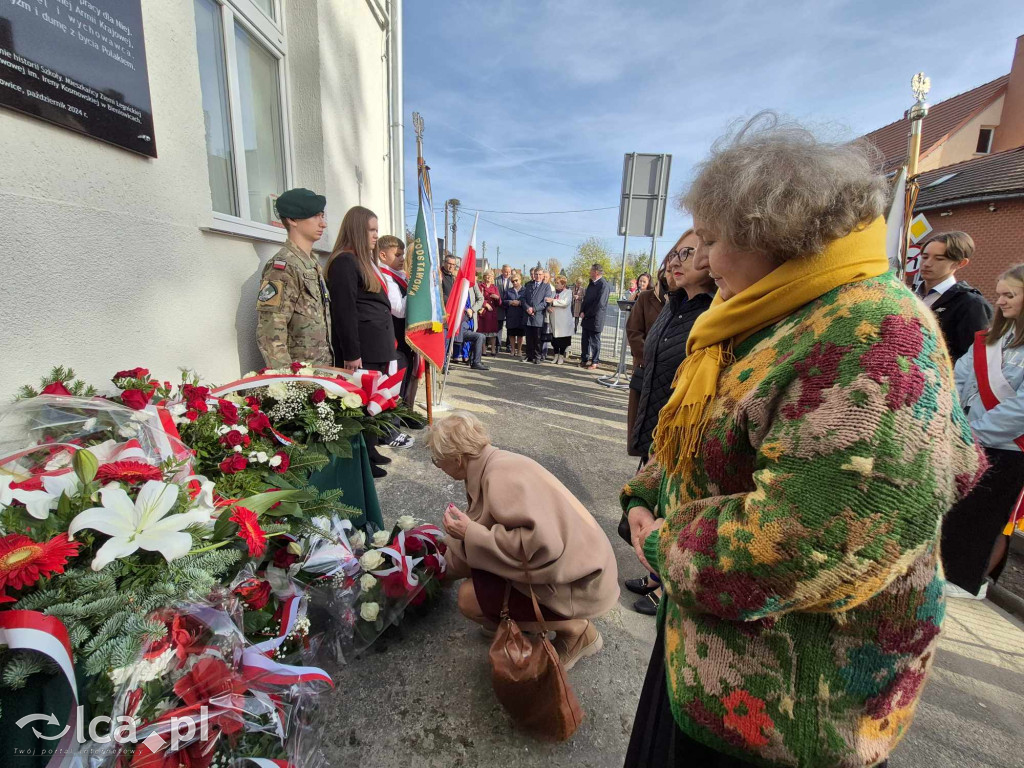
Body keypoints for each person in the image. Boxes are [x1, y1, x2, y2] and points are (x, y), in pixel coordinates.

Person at [621, 114, 983, 768]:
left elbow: (801, 542)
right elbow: (698, 433)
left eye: (711, 238)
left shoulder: (878, 335)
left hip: (788, 710)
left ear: (769, 233)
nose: (702, 259)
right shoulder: (772, 311)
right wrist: (643, 494)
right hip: (709, 655)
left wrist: (658, 538)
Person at [432, 412, 619, 670]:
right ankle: (520, 621)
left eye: (437, 460)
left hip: (580, 582)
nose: (437, 465)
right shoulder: (491, 464)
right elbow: (487, 535)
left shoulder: (499, 476)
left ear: (457, 459)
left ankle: (579, 631)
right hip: (577, 570)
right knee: (477, 577)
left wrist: (469, 534)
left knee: (469, 598)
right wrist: (439, 568)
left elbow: (541, 544)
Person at [624, 233, 716, 617]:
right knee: (655, 498)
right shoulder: (675, 303)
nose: (676, 262)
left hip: (679, 431)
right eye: (674, 254)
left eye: (688, 253)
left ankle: (667, 589)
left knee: (675, 506)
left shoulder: (712, 312)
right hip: (657, 420)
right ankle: (654, 575)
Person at [941, 263, 1024, 600]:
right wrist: (954, 423)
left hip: (1007, 449)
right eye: (999, 293)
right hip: (968, 437)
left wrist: (972, 432)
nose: (1000, 301)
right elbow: (959, 380)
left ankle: (964, 580)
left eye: (1010, 295)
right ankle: (942, 571)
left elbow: (1020, 409)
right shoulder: (993, 337)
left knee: (980, 518)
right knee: (955, 511)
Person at [325, 206, 396, 478]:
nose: (376, 236)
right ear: (356, 229)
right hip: (361, 349)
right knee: (360, 404)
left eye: (377, 229)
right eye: (371, 230)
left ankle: (371, 449)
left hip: (376, 344)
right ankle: (362, 460)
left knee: (373, 403)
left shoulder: (363, 261)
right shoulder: (345, 261)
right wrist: (352, 353)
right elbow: (345, 311)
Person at [256, 188, 333, 369]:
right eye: (315, 216)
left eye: (322, 216)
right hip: (300, 380)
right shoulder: (282, 267)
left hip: (320, 373)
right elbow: (270, 333)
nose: (323, 224)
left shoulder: (311, 263)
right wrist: (288, 382)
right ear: (292, 220)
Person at [917, 231, 992, 362]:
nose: (927, 263)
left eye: (939, 259)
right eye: (924, 257)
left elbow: (974, 357)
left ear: (960, 263)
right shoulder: (909, 295)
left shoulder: (971, 304)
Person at [376, 235, 419, 441]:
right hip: (393, 341)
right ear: (383, 255)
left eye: (403, 254)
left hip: (404, 341)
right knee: (392, 387)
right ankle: (388, 433)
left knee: (402, 386)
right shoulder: (386, 277)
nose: (402, 259)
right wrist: (414, 290)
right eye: (398, 254)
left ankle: (397, 423)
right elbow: (399, 309)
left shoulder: (398, 275)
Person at [626, 263, 670, 459]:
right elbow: (634, 331)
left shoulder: (681, 300)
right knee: (642, 421)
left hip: (669, 372)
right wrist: (649, 356)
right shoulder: (645, 298)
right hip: (644, 366)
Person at [579, 264, 610, 370]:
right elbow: (586, 299)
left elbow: (599, 304)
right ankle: (584, 359)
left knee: (595, 341)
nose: (589, 271)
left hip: (596, 318)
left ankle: (595, 362)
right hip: (586, 317)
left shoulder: (603, 285)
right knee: (585, 340)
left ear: (596, 272)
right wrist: (582, 310)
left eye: (591, 270)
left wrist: (587, 313)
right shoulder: (591, 283)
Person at [522, 267, 553, 364]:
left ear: (543, 275)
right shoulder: (528, 285)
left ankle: (537, 356)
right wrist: (527, 308)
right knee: (529, 338)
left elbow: (545, 302)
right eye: (536, 274)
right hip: (527, 315)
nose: (538, 276)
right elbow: (522, 298)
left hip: (538, 315)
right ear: (533, 275)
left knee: (537, 338)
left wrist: (534, 309)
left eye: (540, 274)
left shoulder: (546, 287)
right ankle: (529, 355)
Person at [548, 276, 574, 364]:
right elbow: (549, 303)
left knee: (563, 340)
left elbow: (565, 303)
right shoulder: (553, 292)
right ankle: (555, 356)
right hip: (554, 319)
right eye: (555, 283)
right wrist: (548, 308)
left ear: (563, 284)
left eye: (557, 283)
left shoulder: (568, 292)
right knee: (554, 339)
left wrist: (553, 301)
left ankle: (561, 356)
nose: (556, 285)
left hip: (563, 320)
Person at [477, 271, 502, 355]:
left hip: (492, 313)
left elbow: (499, 303)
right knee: (482, 332)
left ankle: (493, 349)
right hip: (483, 312)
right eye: (487, 276)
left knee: (493, 333)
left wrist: (497, 298)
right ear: (484, 277)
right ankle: (483, 349)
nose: (488, 278)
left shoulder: (494, 288)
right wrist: (485, 304)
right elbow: (477, 298)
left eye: (490, 276)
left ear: (492, 278)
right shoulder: (480, 286)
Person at [502, 274, 526, 359]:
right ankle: (512, 349)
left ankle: (519, 350)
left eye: (516, 280)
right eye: (512, 281)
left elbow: (528, 301)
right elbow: (503, 301)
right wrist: (510, 302)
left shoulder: (525, 290)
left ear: (520, 280)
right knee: (511, 333)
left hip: (521, 315)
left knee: (520, 334)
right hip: (511, 315)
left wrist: (520, 303)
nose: (514, 282)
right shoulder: (508, 291)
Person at [495, 265, 514, 352]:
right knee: (499, 326)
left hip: (510, 306)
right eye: (506, 272)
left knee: (510, 326)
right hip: (499, 306)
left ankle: (508, 345)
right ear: (502, 271)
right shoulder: (496, 280)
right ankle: (498, 345)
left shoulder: (513, 280)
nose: (507, 273)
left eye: (509, 272)